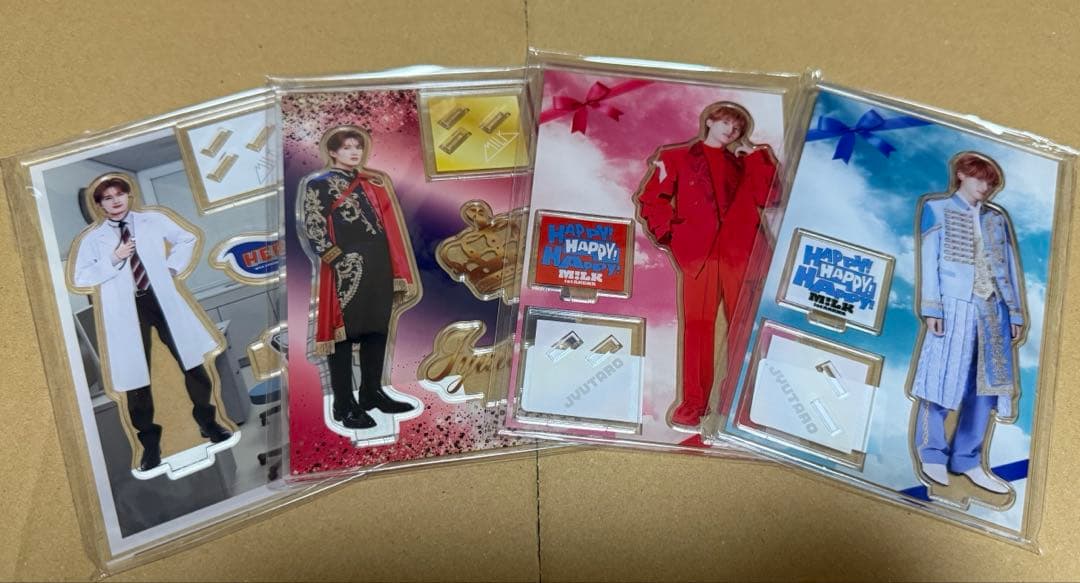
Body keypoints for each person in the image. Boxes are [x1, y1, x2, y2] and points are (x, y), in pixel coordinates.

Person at [69, 174, 232, 472]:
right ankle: (150, 445)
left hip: (160, 298)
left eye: (120, 194)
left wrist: (173, 267)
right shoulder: (93, 240)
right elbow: (80, 277)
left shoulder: (153, 220)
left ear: (129, 195)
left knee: (192, 363)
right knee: (136, 378)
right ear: (99, 205)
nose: (115, 201)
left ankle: (209, 423)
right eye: (108, 198)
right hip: (126, 307)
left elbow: (188, 238)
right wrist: (114, 258)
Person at [635, 102, 779, 430]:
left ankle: (737, 402)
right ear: (710, 121)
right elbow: (651, 199)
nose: (732, 130)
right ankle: (693, 404)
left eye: (738, 128)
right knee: (697, 329)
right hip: (698, 256)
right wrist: (670, 234)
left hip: (742, 255)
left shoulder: (744, 163)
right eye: (726, 122)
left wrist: (755, 156)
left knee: (744, 328)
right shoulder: (674, 157)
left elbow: (769, 197)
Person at [909, 152, 1025, 494]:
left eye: (990, 183)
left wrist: (1015, 312)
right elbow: (929, 260)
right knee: (941, 377)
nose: (985, 188)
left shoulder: (996, 219)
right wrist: (932, 308)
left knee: (985, 387)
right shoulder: (937, 208)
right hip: (954, 307)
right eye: (979, 179)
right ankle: (931, 451)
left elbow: (1009, 268)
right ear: (961, 174)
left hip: (994, 310)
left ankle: (967, 459)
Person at [298, 125, 419, 430]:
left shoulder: (370, 182)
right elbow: (314, 225)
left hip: (379, 262)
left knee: (377, 329)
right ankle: (343, 403)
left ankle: (371, 392)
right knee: (343, 334)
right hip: (348, 264)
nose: (354, 152)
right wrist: (337, 259)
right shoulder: (319, 184)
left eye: (358, 147)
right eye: (347, 147)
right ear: (332, 151)